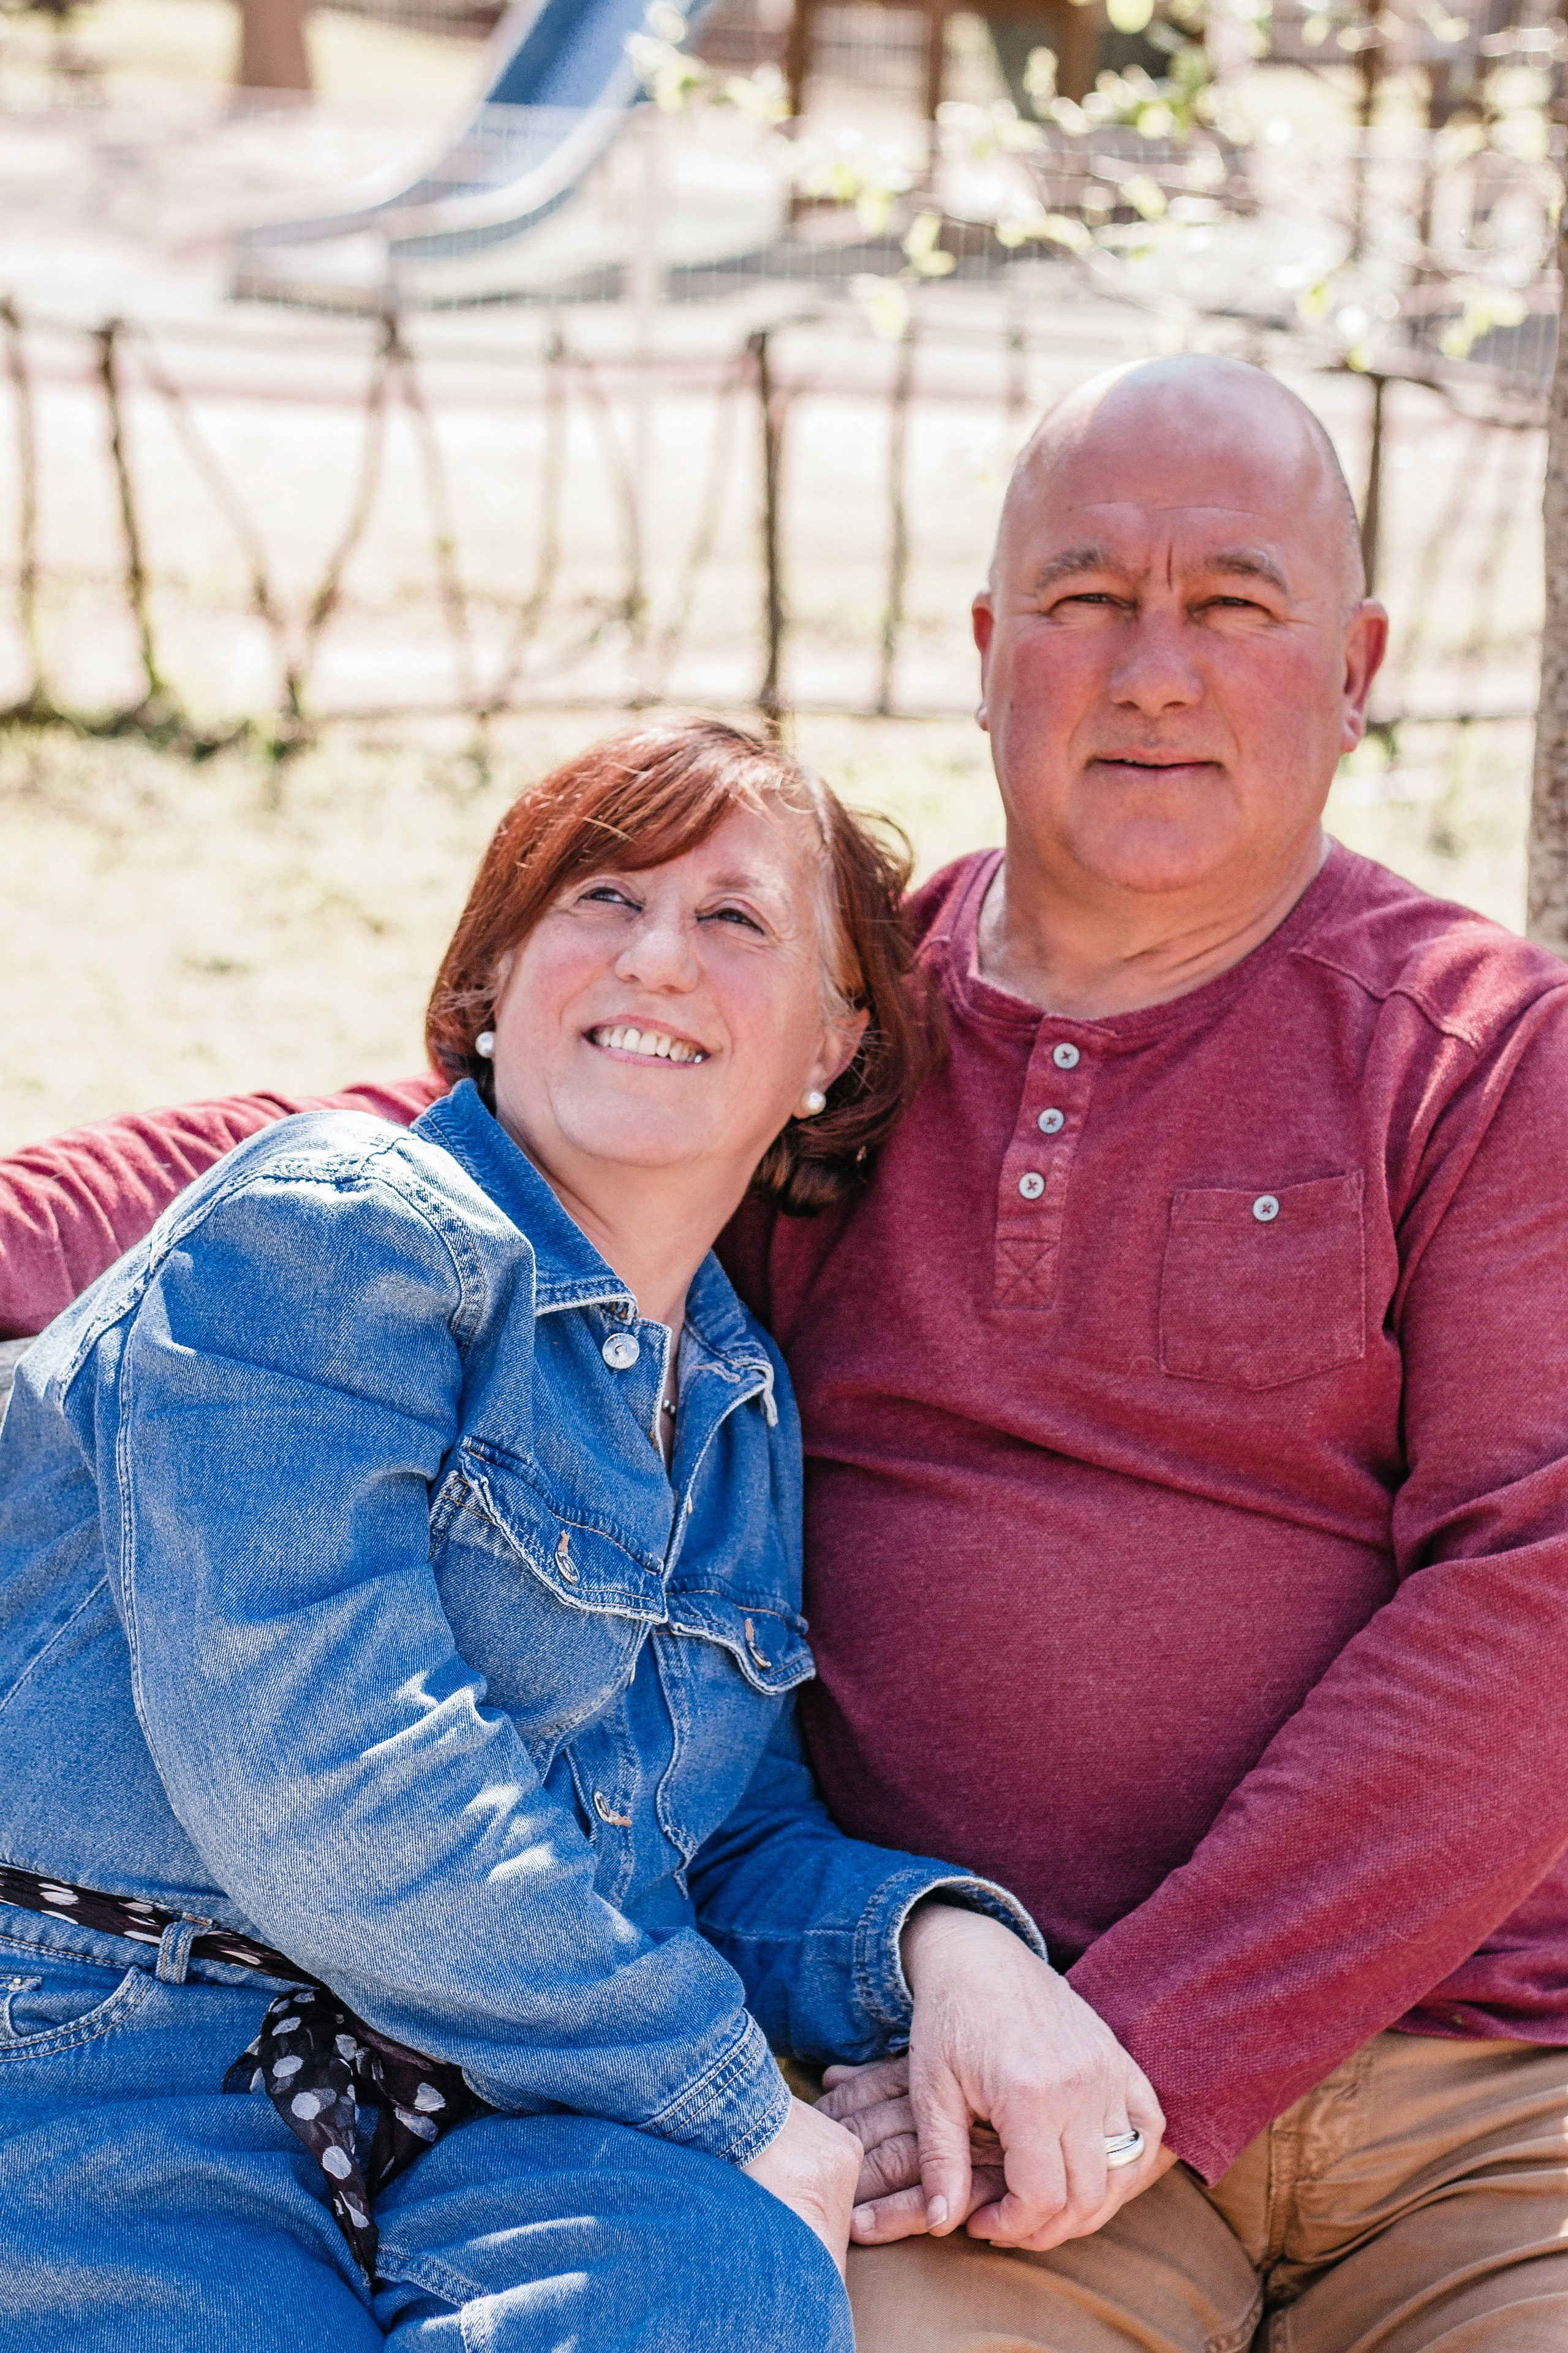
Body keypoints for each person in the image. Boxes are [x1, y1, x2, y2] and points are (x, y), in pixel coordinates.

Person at [6, 352, 1568, 2351]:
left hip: (1455, 2078)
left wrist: (1133, 2047)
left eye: (1236, 603)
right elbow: (424, 1149)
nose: (1156, 665)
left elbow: (1534, 1603)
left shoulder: (1483, 1053)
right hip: (932, 2089)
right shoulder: (824, 1018)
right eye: (1088, 597)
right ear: (992, 651)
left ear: (1355, 666)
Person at [0, 719, 1124, 2353]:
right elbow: (327, 1759)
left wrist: (942, 1944)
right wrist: (735, 2100)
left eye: (735, 918)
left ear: (832, 1041)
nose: (659, 955)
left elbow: (714, 1828)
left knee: (721, 2276)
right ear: (494, 981)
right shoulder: (334, 1230)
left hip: (482, 2101)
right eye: (601, 896)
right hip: (119, 2039)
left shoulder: (737, 1412)